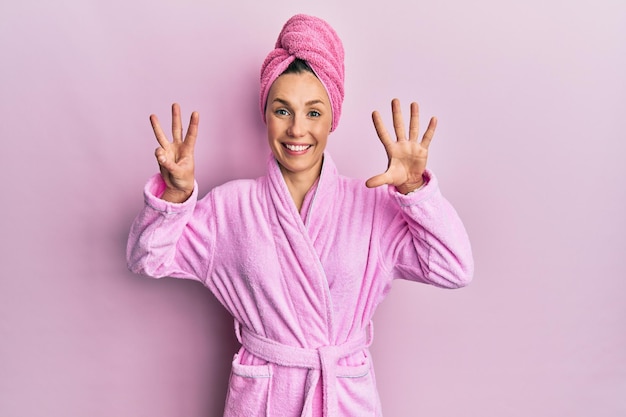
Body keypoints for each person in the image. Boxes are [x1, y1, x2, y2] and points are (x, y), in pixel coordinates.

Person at [127, 13, 473, 417]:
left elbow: (454, 269)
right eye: (282, 110)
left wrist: (415, 192)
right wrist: (177, 193)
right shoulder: (231, 208)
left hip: (343, 397)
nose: (296, 130)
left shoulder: (372, 205)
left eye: (313, 112)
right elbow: (146, 258)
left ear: (332, 119)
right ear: (265, 115)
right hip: (264, 399)